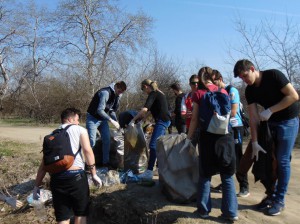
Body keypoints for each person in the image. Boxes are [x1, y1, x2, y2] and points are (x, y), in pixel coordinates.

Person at [233, 59, 299, 216]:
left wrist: (270, 110)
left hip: (288, 121)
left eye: (245, 75)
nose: (244, 80)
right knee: (269, 161)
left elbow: (294, 96)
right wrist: (254, 141)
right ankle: (271, 196)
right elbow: (254, 118)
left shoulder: (274, 75)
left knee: (282, 160)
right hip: (270, 124)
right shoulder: (250, 90)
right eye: (241, 78)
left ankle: (279, 200)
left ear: (252, 68)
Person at [185, 66, 238, 221]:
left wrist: (189, 139)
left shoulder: (199, 94)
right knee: (227, 176)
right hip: (226, 138)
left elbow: (194, 119)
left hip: (207, 138)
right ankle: (231, 212)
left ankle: (203, 210)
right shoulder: (223, 92)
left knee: (205, 175)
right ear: (212, 77)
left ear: (200, 79)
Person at [33, 108, 102, 224]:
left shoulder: (51, 135)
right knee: (80, 215)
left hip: (56, 180)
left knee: (62, 218)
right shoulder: (80, 130)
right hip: (76, 178)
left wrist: (36, 186)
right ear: (70, 119)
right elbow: (88, 151)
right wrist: (94, 174)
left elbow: (44, 164)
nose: (78, 122)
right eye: (77, 119)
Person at [213, 70, 250, 197]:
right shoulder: (216, 92)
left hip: (235, 126)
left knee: (238, 156)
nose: (214, 84)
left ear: (220, 78)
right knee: (225, 156)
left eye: (215, 81)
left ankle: (244, 186)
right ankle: (225, 184)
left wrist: (218, 116)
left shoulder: (232, 90)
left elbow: (233, 112)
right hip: (224, 127)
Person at [129, 79, 171, 180]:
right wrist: (141, 121)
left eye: (143, 89)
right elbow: (149, 111)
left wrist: (132, 121)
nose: (144, 92)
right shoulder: (159, 93)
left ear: (146, 86)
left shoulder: (153, 93)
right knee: (160, 145)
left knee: (153, 145)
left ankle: (149, 172)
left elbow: (144, 109)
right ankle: (160, 168)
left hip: (162, 121)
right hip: (164, 120)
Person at [86, 81, 127, 168]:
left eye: (122, 92)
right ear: (115, 87)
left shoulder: (116, 95)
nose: (120, 94)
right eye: (119, 91)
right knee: (92, 141)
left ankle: (106, 163)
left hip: (102, 119)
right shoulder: (105, 92)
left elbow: (111, 110)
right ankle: (89, 164)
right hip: (92, 118)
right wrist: (111, 120)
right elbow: (100, 110)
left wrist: (116, 122)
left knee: (107, 140)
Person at [181, 74, 199, 146]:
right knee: (190, 152)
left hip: (202, 128)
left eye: (198, 83)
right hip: (190, 128)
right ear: (190, 84)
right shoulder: (185, 97)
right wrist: (186, 115)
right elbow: (183, 114)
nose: (196, 85)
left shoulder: (204, 95)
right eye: (193, 83)